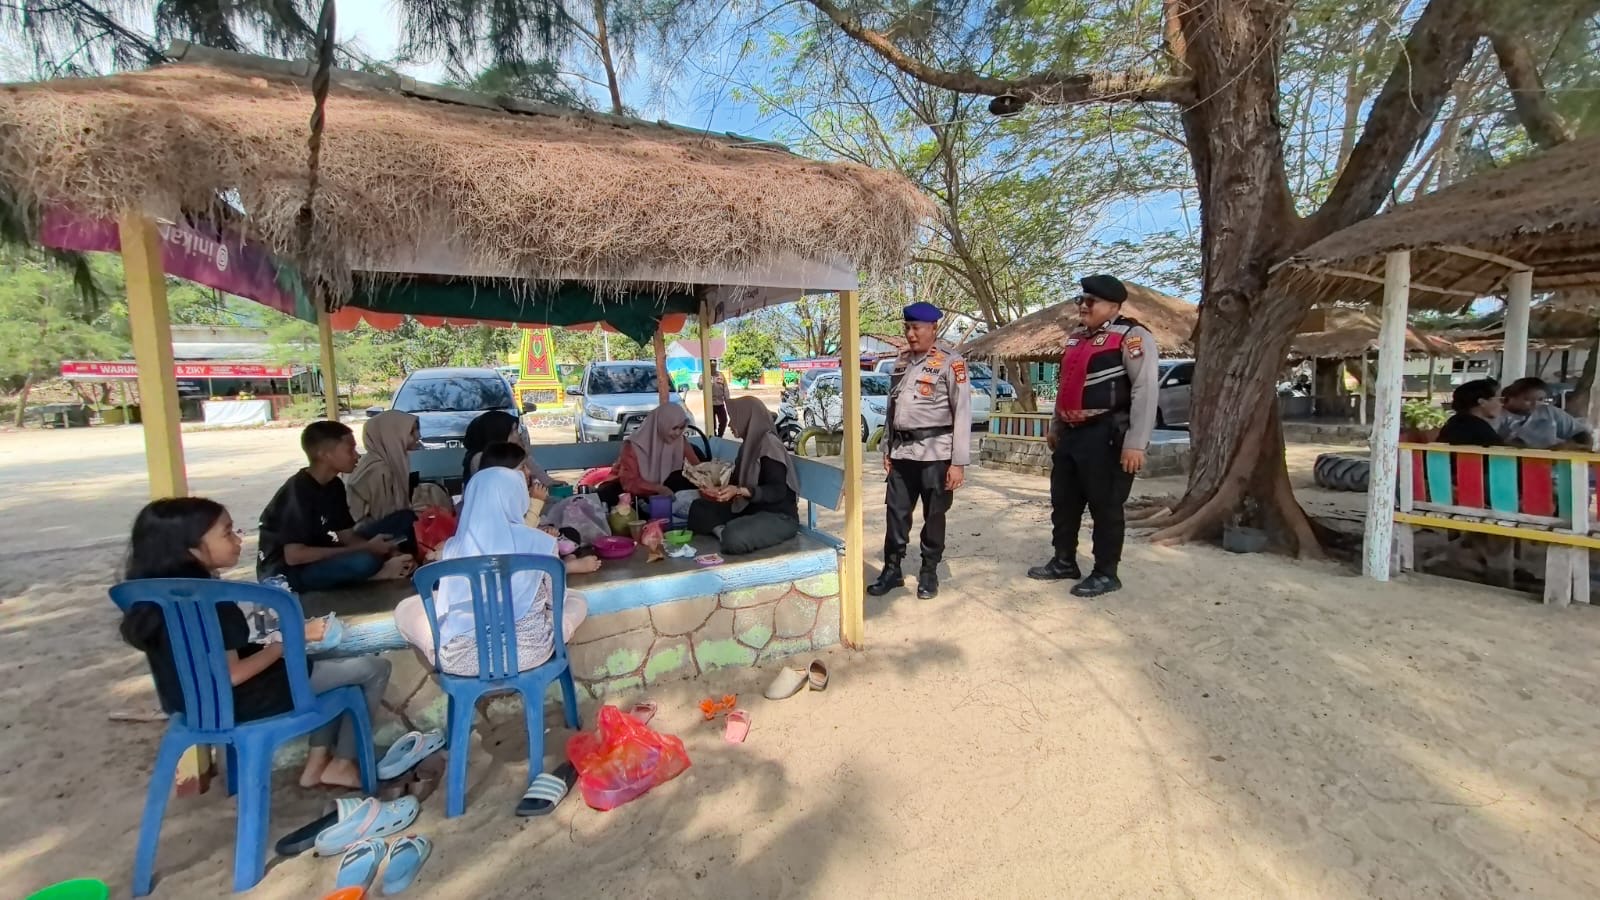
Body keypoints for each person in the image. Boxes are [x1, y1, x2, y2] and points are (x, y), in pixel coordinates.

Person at [120, 497, 390, 789]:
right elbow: (232, 674)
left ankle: (318, 765)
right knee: (373, 669)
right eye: (227, 532)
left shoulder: (152, 596)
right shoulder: (212, 599)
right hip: (244, 701)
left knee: (326, 669)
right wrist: (282, 644)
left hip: (186, 704)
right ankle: (340, 764)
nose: (239, 539)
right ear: (191, 547)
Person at [1027, 275, 1159, 599]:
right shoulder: (1075, 339)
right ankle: (1063, 561)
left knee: (1106, 505)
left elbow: (1145, 390)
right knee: (1064, 502)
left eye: (1091, 301)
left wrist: (1135, 443)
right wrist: (1056, 424)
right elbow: (1066, 386)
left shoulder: (1131, 336)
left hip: (1107, 435)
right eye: (1081, 300)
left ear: (1114, 305)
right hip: (1072, 435)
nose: (1083, 306)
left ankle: (1105, 572)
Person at [394, 467, 597, 675]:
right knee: (576, 600)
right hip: (530, 653)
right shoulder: (541, 542)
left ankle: (439, 647)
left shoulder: (453, 548)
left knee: (407, 608)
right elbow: (556, 602)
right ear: (517, 498)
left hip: (462, 660)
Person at [867, 301, 972, 600]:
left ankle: (929, 572)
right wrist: (887, 447)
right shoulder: (901, 362)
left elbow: (962, 413)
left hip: (936, 453)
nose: (910, 334)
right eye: (907, 328)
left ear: (933, 329)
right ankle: (892, 570)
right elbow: (892, 407)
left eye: (916, 328)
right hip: (902, 453)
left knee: (934, 513)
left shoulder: (951, 362)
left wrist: (958, 463)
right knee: (895, 513)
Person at [258, 421, 413, 593]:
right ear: (325, 454)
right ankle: (376, 573)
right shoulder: (297, 491)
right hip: (289, 572)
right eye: (350, 450)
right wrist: (368, 548)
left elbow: (346, 535)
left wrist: (386, 550)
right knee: (366, 561)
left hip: (322, 551)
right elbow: (295, 556)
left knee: (405, 519)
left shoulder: (334, 484)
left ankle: (383, 563)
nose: (356, 456)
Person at [687, 397, 802, 555]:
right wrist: (718, 490)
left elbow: (777, 490)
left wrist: (740, 491)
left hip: (778, 516)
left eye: (733, 419)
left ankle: (729, 534)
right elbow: (736, 483)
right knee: (698, 508)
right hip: (750, 510)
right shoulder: (748, 445)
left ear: (747, 418)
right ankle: (724, 534)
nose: (729, 424)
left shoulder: (770, 445)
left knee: (734, 535)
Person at [600, 404, 702, 504]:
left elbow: (697, 469)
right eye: (674, 428)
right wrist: (658, 488)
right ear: (661, 425)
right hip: (628, 493)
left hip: (661, 493)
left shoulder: (680, 441)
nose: (677, 433)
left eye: (681, 428)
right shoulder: (633, 446)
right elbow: (629, 483)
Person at [346, 410, 421, 537]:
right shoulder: (379, 469)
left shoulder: (383, 460)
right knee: (408, 518)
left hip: (373, 527)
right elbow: (383, 514)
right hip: (366, 533)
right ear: (392, 435)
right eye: (411, 432)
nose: (418, 436)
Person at [461, 410, 555, 490]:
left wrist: (524, 449)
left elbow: (543, 479)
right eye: (514, 430)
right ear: (499, 433)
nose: (518, 435)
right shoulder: (480, 458)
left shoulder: (509, 454)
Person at [1497, 377, 1592, 450]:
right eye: (1527, 399)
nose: (1535, 404)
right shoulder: (1497, 414)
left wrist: (1577, 447)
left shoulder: (1550, 413)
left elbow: (1581, 433)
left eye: (1540, 399)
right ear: (1511, 397)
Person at [1439, 379, 1503, 446]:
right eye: (1500, 399)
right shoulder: (1481, 432)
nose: (1501, 404)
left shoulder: (1455, 422)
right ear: (1482, 402)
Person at [709, 361, 731, 437]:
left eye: (714, 366)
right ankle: (714, 437)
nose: (713, 367)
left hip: (720, 403)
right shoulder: (704, 375)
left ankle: (720, 436)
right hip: (710, 404)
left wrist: (728, 402)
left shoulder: (720, 375)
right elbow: (700, 386)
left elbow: (726, 389)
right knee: (712, 423)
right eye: (711, 366)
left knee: (724, 421)